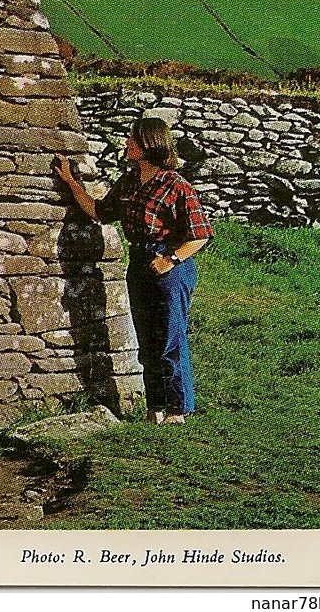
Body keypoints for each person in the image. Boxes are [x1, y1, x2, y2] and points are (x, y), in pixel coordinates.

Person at [54, 116, 213, 424]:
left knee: (170, 337)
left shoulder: (176, 186)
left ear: (149, 144)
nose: (127, 142)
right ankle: (155, 408)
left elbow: (200, 234)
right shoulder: (129, 181)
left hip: (170, 266)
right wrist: (72, 182)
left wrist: (171, 259)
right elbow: (100, 211)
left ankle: (178, 409)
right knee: (147, 338)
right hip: (140, 263)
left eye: (133, 139)